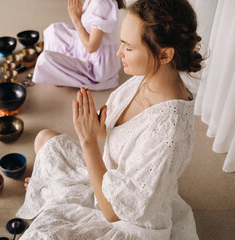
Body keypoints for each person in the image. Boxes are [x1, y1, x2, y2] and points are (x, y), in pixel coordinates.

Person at [17, 0, 204, 239]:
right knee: (44, 139)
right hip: (106, 177)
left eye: (128, 47)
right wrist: (95, 130)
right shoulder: (143, 78)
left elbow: (112, 213)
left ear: (165, 54)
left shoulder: (170, 131)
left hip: (124, 222)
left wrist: (88, 142)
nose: (118, 53)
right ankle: (58, 189)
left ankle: (57, 191)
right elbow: (116, 137)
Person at [32, 0, 125, 90]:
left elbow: (91, 47)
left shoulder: (102, 4)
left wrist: (75, 19)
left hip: (97, 65)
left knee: (45, 58)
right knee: (53, 30)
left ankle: (58, 73)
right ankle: (58, 72)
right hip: (82, 47)